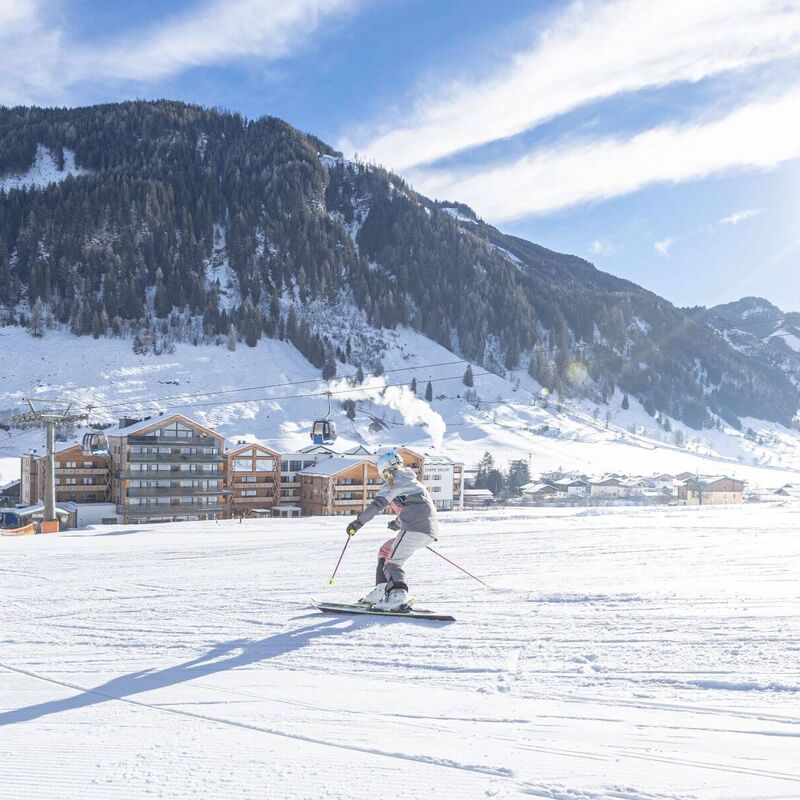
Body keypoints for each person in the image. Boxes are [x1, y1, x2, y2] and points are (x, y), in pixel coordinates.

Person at [346, 449, 439, 611]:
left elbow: (377, 506)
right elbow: (415, 508)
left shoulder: (394, 482)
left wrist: (357, 523)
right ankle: (381, 590)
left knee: (393, 564)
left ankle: (399, 596)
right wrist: (396, 524)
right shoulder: (412, 481)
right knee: (385, 551)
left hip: (415, 529)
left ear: (384, 471)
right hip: (426, 530)